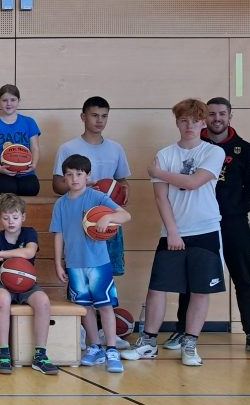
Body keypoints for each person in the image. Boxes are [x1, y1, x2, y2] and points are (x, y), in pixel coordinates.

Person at [126, 99, 227, 367]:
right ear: (177, 123)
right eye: (184, 120)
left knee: (200, 291)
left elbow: (194, 182)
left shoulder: (213, 152)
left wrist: (158, 172)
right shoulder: (165, 154)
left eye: (194, 121)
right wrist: (172, 231)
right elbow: (161, 198)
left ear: (203, 122)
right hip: (172, 232)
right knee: (157, 288)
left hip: (206, 230)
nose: (189, 125)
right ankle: (148, 343)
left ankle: (190, 344)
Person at [171, 97, 250, 357]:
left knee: (243, 277)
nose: (217, 119)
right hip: (199, 224)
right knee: (191, 278)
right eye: (211, 114)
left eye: (222, 114)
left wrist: (232, 206)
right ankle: (182, 330)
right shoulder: (194, 147)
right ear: (204, 118)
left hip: (233, 223)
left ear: (229, 116)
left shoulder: (244, 149)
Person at [52, 95, 133, 350]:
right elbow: (57, 184)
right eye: (94, 115)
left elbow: (122, 184)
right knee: (83, 293)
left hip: (106, 223)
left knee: (107, 278)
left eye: (104, 116)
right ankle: (89, 337)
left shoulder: (116, 149)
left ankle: (108, 337)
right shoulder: (68, 148)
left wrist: (115, 199)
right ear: (83, 117)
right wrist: (84, 186)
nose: (99, 120)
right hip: (78, 226)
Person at [50, 154, 132, 373]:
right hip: (74, 265)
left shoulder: (96, 197)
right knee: (85, 308)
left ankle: (111, 349)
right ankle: (95, 347)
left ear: (88, 176)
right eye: (69, 175)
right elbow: (58, 234)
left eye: (79, 174)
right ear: (64, 178)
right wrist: (58, 263)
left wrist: (108, 217)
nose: (74, 178)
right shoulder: (60, 204)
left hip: (99, 264)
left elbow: (125, 215)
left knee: (105, 306)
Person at [0, 194, 56, 375]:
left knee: (43, 301)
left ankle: (40, 354)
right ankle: (3, 353)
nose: (11, 222)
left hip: (27, 284)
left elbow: (29, 252)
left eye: (15, 217)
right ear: (0, 218)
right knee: (3, 298)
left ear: (23, 217)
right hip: (0, 284)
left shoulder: (29, 233)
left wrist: (2, 254)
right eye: (6, 217)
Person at [0, 84, 41, 196]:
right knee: (8, 188)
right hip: (0, 170)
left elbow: (35, 147)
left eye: (13, 100)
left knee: (31, 188)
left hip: (25, 169)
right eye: (4, 100)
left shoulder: (29, 122)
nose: (9, 104)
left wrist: (33, 164)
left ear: (19, 101)